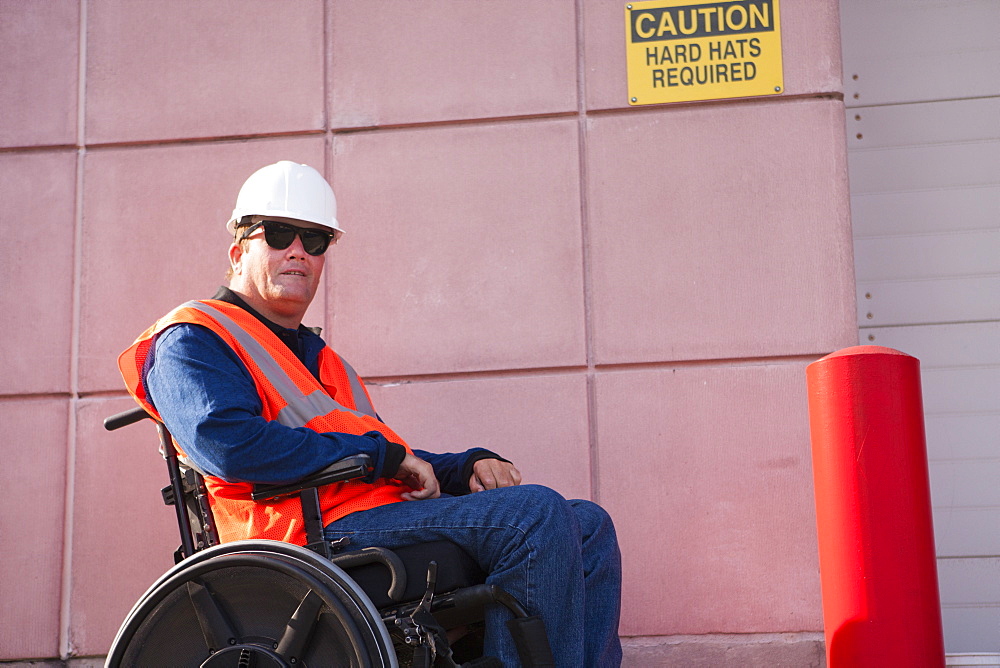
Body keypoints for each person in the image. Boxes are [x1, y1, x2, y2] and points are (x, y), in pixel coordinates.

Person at [118, 161, 622, 666]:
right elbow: (230, 447)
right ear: (238, 252)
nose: (298, 250)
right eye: (277, 234)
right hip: (294, 536)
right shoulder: (195, 339)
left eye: (314, 240)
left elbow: (387, 455)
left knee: (587, 524)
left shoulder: (317, 359)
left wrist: (461, 467)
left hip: (364, 514)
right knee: (532, 517)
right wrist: (378, 457)